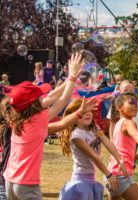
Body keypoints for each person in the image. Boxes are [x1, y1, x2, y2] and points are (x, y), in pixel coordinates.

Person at [3, 53, 83, 199]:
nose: (43, 96)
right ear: (34, 103)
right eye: (40, 95)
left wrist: (72, 77)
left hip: (10, 181)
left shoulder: (17, 117)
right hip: (26, 184)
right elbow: (64, 99)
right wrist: (71, 77)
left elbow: (52, 97)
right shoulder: (38, 120)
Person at [58, 98, 128, 200]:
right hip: (80, 180)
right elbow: (93, 156)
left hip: (91, 178)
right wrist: (108, 175)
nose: (87, 114)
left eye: (89, 111)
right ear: (74, 117)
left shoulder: (95, 129)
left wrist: (120, 160)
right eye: (83, 112)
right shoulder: (76, 136)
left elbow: (109, 143)